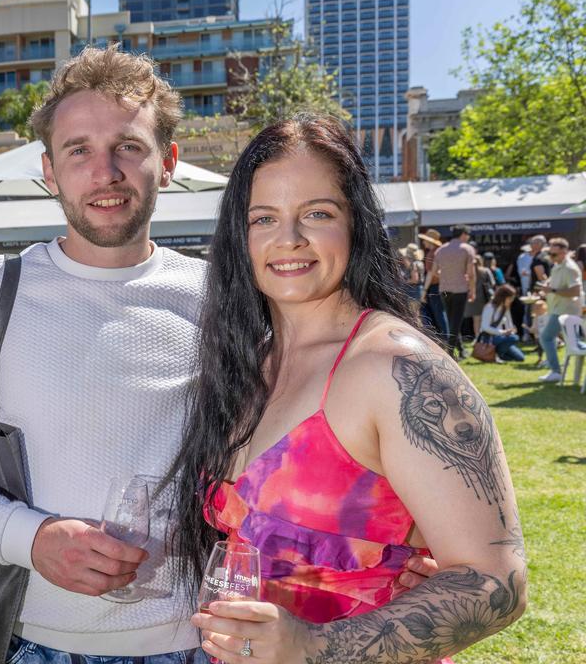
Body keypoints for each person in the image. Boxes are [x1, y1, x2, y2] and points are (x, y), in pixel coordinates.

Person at [172, 114, 526, 663]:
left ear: (355, 224)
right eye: (263, 218)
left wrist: (314, 646)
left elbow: (496, 584)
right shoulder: (248, 365)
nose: (288, 239)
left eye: (316, 213)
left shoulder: (395, 368)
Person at [0, 44, 212, 663]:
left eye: (128, 145)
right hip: (26, 640)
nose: (105, 172)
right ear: (49, 171)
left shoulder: (218, 300)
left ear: (169, 160)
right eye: (79, 150)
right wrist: (34, 537)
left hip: (188, 644)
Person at [536, 237, 583, 383]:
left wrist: (553, 290)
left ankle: (555, 370)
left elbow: (575, 291)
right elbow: (553, 284)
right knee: (571, 341)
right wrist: (546, 289)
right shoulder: (558, 265)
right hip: (557, 308)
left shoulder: (569, 268)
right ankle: (556, 368)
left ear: (564, 252)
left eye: (554, 254)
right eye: (550, 254)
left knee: (546, 337)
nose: (551, 257)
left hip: (566, 310)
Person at [424, 225, 476, 359]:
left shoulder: (441, 250)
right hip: (460, 289)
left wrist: (446, 275)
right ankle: (451, 353)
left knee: (453, 320)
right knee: (455, 322)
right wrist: (473, 289)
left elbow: (434, 271)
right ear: (464, 234)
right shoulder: (467, 249)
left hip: (444, 289)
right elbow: (471, 273)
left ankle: (460, 350)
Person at [481, 285, 525, 363]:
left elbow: (509, 324)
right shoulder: (490, 307)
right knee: (514, 338)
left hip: (502, 338)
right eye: (510, 298)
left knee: (520, 358)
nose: (511, 301)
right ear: (503, 297)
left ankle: (498, 355)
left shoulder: (505, 307)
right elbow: (485, 327)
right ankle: (496, 355)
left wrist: (511, 330)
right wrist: (503, 332)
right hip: (489, 338)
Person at [417, 230, 447, 338]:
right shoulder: (440, 252)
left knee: (439, 315)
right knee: (442, 314)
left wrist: (424, 292)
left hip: (434, 287)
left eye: (425, 240)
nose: (423, 243)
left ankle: (444, 339)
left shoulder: (431, 254)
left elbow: (430, 274)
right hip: (442, 286)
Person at [467, 253, 496, 341]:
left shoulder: (468, 272)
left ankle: (477, 337)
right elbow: (493, 283)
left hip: (473, 297)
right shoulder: (485, 271)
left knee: (476, 320)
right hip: (485, 297)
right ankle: (486, 337)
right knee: (487, 318)